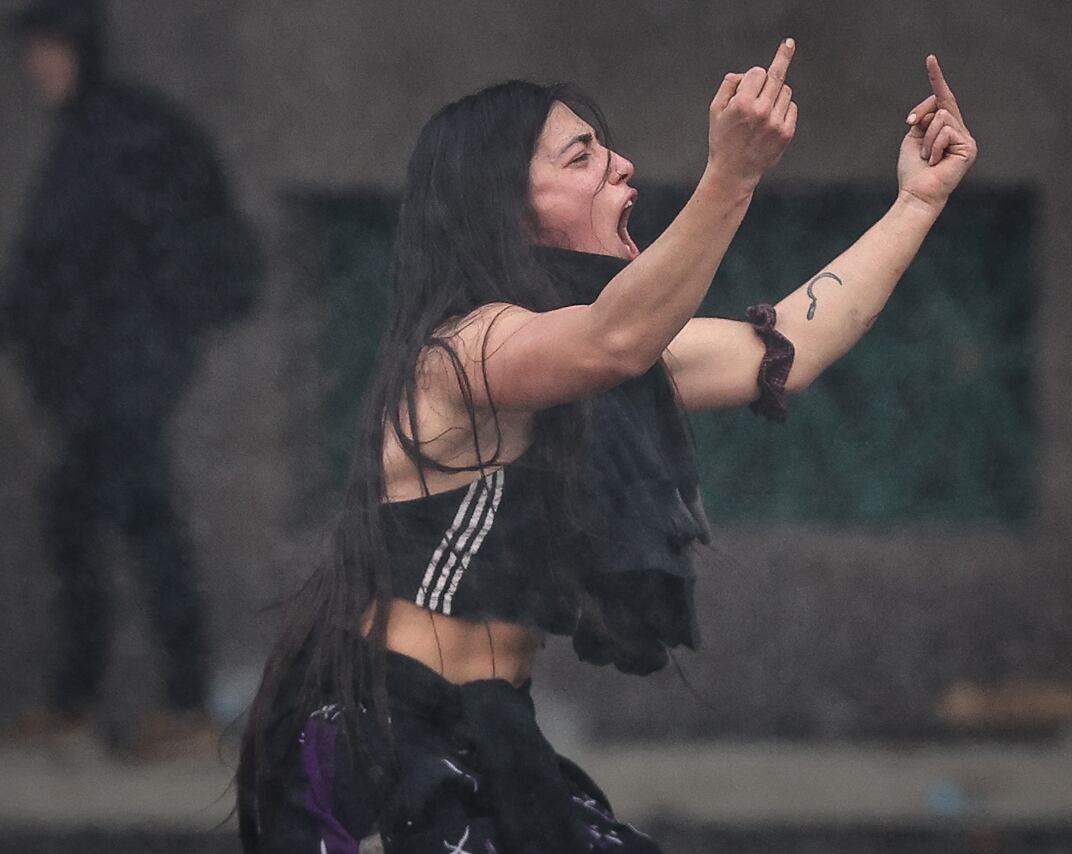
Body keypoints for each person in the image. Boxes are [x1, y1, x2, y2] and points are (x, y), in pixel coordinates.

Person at [237, 38, 975, 853]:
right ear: (506, 207)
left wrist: (918, 201)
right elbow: (614, 339)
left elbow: (787, 348)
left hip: (490, 731)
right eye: (582, 156)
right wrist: (731, 175)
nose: (621, 166)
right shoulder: (465, 351)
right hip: (384, 738)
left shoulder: (586, 354)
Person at [1, 0, 259, 757]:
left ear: (80, 48)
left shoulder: (124, 135)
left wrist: (142, 349)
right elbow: (56, 270)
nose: (33, 68)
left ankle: (173, 706)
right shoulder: (93, 136)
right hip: (103, 381)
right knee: (87, 525)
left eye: (46, 51)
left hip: (123, 380)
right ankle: (101, 703)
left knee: (136, 528)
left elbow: (117, 260)